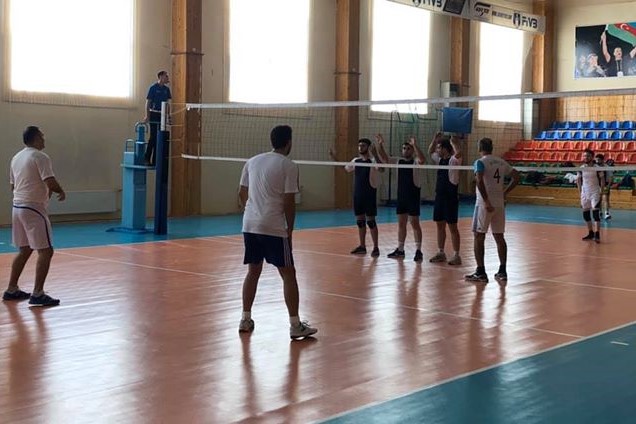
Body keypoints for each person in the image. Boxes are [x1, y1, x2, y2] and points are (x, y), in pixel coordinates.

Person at [237, 125, 317, 340]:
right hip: (273, 226)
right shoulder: (289, 165)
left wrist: (252, 211)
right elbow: (289, 202)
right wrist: (289, 231)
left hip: (250, 224)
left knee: (253, 271)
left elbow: (241, 193)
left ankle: (245, 319)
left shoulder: (252, 161)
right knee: (288, 274)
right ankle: (295, 325)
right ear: (289, 142)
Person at [4, 126, 66, 306]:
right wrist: (61, 191)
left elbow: (13, 186)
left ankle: (11, 289)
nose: (44, 139)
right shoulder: (40, 156)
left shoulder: (16, 157)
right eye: (42, 136)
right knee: (46, 251)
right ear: (36, 138)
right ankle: (38, 293)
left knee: (24, 249)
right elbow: (49, 181)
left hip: (17, 207)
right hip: (33, 208)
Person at [465, 138, 520, 283]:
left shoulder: (480, 162)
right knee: (499, 237)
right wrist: (505, 193)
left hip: (484, 205)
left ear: (479, 148)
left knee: (478, 236)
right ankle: (502, 271)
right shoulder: (501, 162)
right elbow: (516, 176)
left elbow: (479, 181)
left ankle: (480, 272)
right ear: (492, 148)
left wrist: (486, 201)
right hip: (499, 204)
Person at [329, 138, 383, 257]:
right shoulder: (356, 160)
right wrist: (334, 157)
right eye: (359, 146)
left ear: (368, 147)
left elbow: (382, 169)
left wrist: (375, 154)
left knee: (371, 222)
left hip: (369, 194)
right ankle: (362, 246)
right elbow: (345, 168)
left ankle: (376, 247)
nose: (360, 148)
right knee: (360, 221)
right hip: (358, 194)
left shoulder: (373, 161)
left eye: (363, 145)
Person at [376, 134, 425, 262]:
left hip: (413, 196)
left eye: (408, 148)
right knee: (401, 224)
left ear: (412, 151)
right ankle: (400, 249)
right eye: (404, 148)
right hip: (402, 196)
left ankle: (418, 250)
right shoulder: (398, 161)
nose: (405, 150)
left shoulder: (415, 162)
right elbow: (384, 158)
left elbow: (422, 159)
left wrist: (415, 145)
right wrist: (380, 144)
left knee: (415, 223)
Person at [428, 132, 463, 265]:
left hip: (450, 198)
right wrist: (434, 139)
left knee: (452, 227)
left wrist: (453, 142)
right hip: (439, 197)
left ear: (445, 149)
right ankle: (441, 253)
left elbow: (459, 153)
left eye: (439, 147)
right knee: (439, 225)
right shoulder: (440, 161)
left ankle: (456, 255)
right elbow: (430, 152)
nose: (437, 150)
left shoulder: (453, 161)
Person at [143, 70, 171, 166]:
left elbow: (168, 104)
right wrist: (147, 115)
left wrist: (168, 116)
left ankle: (156, 160)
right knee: (153, 136)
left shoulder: (167, 90)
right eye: (166, 76)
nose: (167, 78)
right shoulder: (153, 88)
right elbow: (148, 103)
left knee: (160, 137)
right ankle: (147, 158)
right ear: (161, 77)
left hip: (162, 115)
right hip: (154, 114)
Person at [578, 149, 605, 242]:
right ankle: (590, 233)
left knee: (596, 214)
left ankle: (597, 234)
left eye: (588, 156)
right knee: (586, 215)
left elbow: (602, 179)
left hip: (595, 192)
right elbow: (578, 180)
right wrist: (580, 192)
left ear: (592, 157)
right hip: (585, 193)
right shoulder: (581, 168)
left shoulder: (597, 167)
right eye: (584, 156)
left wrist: (601, 191)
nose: (585, 157)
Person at [595, 154, 614, 220]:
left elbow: (611, 177)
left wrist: (608, 186)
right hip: (597, 185)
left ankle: (606, 213)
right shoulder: (595, 167)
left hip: (605, 185)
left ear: (602, 160)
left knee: (606, 199)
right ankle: (600, 212)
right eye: (596, 160)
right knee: (598, 199)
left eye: (598, 160)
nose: (597, 161)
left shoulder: (607, 167)